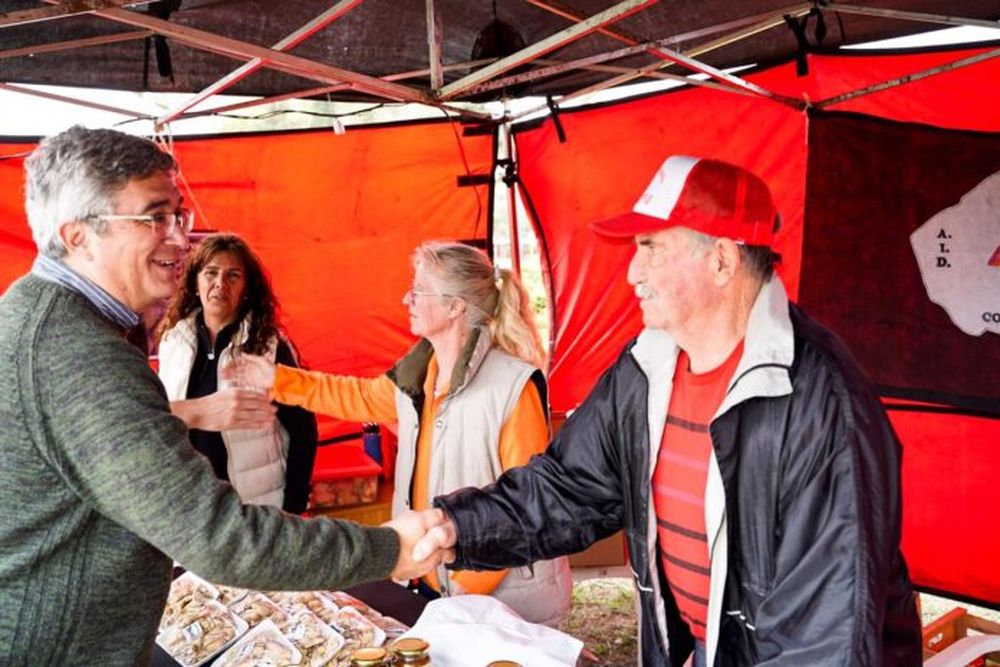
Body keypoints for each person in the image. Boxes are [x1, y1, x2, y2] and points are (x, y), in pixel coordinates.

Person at [412, 156, 922, 665]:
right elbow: (570, 486)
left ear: (722, 260)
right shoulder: (646, 368)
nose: (633, 272)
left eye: (651, 249)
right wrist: (458, 527)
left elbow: (824, 639)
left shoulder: (822, 402)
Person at [0, 125, 447, 666]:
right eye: (154, 217)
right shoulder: (76, 350)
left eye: (178, 215)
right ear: (78, 236)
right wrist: (389, 549)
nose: (178, 237)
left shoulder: (46, 318)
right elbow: (218, 538)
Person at [228, 241, 573, 626]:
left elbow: (529, 504)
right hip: (434, 582)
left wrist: (465, 588)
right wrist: (276, 379)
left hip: (501, 601)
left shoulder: (513, 386)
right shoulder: (418, 375)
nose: (406, 298)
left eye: (419, 289)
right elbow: (353, 396)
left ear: (455, 306)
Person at [157, 233, 318, 514]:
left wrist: (293, 506)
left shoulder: (269, 346)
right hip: (190, 505)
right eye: (211, 273)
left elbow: (303, 430)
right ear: (195, 281)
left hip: (257, 506)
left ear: (246, 288)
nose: (220, 283)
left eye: (233, 276)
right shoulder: (173, 341)